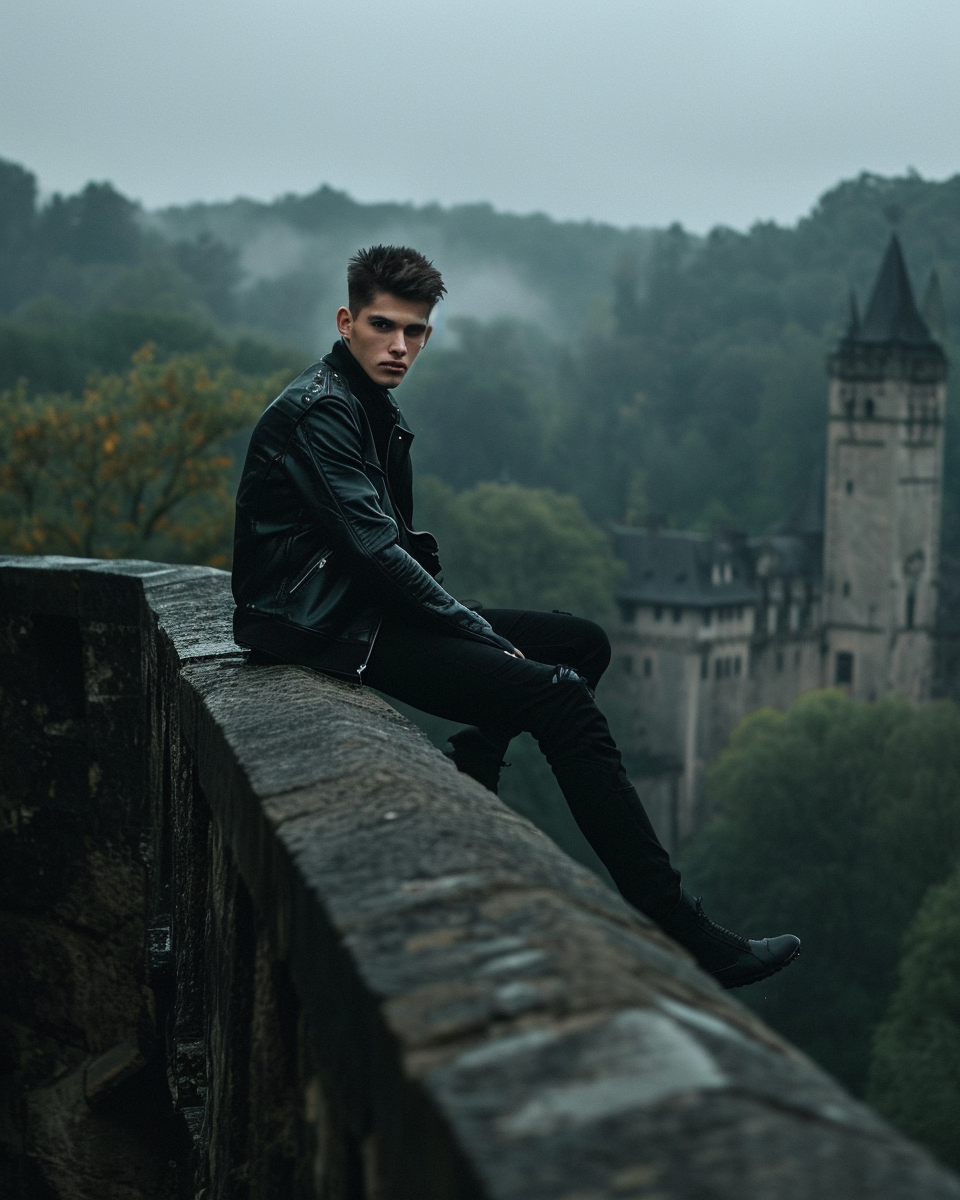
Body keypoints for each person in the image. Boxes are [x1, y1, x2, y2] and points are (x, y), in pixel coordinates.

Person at [232, 244, 800, 989]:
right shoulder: (322, 412)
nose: (400, 346)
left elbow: (383, 550)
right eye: (383, 326)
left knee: (583, 644)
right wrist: (478, 634)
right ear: (346, 321)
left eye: (416, 331)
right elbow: (376, 553)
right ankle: (683, 929)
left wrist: (471, 629)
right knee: (558, 695)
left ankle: (477, 757)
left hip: (355, 607)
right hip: (321, 625)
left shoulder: (368, 405)